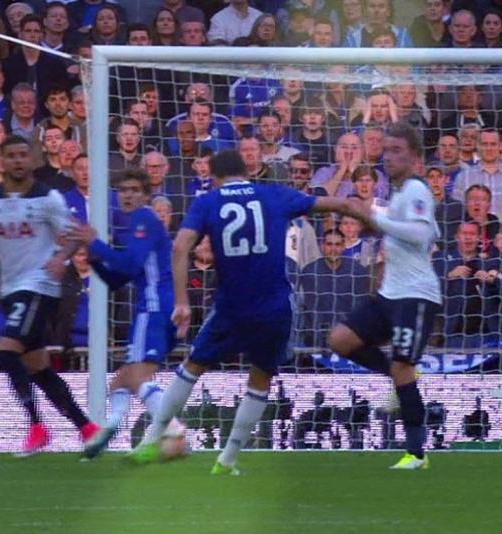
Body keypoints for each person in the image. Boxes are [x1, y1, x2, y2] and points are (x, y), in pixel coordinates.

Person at [128, 149, 364, 473]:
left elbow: (181, 246)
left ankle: (151, 438)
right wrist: (374, 220)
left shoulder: (208, 202)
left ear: (214, 176)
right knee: (260, 378)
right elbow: (341, 204)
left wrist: (182, 301)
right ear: (246, 170)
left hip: (231, 306)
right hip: (274, 306)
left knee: (193, 366)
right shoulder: (274, 194)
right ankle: (227, 460)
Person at [0, 135, 97, 454]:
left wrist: (61, 258)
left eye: (24, 155)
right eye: (12, 155)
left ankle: (36, 426)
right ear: (0, 161)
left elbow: (75, 234)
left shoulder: (48, 198)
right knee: (38, 366)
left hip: (40, 286)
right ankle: (87, 427)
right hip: (9, 288)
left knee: (7, 350)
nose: (19, 160)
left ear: (32, 159)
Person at [328, 122, 442, 470]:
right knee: (339, 339)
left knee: (402, 366)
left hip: (416, 295)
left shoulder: (417, 190)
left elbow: (421, 234)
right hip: (389, 293)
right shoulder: (398, 192)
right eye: (386, 150)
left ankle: (416, 453)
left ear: (416, 158)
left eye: (397, 151)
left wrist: (375, 216)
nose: (388, 157)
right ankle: (396, 378)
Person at [73, 169, 176, 460]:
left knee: (135, 377)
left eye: (133, 190)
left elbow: (130, 264)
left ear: (145, 194)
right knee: (121, 381)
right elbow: (119, 280)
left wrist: (96, 244)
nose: (127, 195)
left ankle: (173, 429)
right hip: (155, 307)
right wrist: (96, 262)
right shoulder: (134, 223)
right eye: (122, 190)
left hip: (154, 307)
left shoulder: (144, 218)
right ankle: (110, 430)